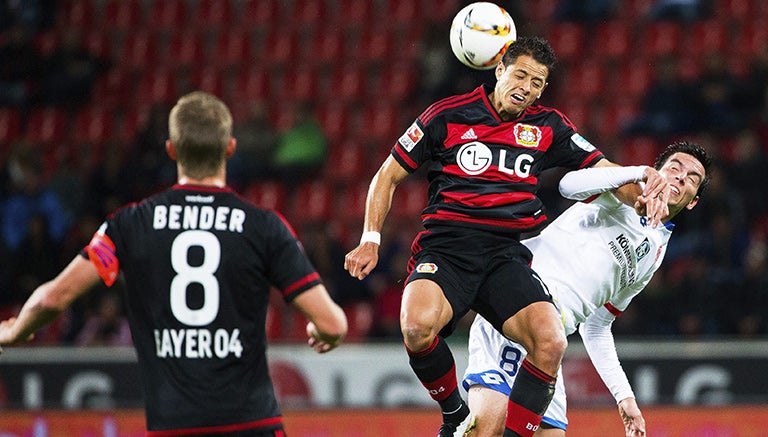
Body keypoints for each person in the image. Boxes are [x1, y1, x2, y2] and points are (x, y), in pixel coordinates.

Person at [343, 36, 667, 437]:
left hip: (505, 256)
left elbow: (603, 167)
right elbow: (387, 175)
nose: (527, 88)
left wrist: (642, 197)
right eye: (521, 75)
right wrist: (371, 237)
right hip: (447, 250)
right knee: (415, 327)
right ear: (499, 70)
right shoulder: (447, 115)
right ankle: (454, 415)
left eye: (537, 82)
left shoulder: (548, 126)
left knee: (550, 343)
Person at [0, 91, 348, 436]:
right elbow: (332, 322)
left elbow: (52, 298)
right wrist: (323, 333)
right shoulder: (265, 227)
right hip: (252, 424)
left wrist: (17, 330)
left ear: (171, 150)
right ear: (230, 148)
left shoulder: (128, 225)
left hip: (174, 427)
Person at [463, 141, 712, 436]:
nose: (681, 177)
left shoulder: (654, 254)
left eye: (692, 178)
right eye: (674, 167)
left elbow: (597, 326)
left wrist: (624, 396)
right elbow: (568, 184)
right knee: (487, 429)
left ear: (693, 200)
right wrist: (634, 175)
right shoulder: (621, 194)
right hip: (518, 310)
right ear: (656, 171)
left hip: (548, 348)